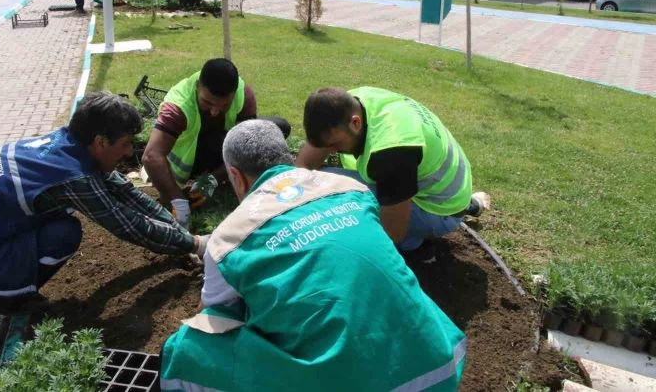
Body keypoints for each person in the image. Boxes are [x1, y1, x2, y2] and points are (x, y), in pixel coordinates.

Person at [160, 120, 466, 392]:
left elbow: (212, 317)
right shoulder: (351, 189)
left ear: (236, 177)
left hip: (351, 382)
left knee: (188, 346)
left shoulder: (230, 239)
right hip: (437, 363)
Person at [0, 92, 209, 316]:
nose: (128, 152)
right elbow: (128, 225)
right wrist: (194, 243)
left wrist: (173, 225)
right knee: (65, 233)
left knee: (56, 213)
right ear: (100, 141)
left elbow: (126, 192)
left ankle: (0, 281)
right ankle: (0, 296)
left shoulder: (68, 143)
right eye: (124, 144)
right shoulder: (73, 177)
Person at [296, 87, 490, 262]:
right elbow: (301, 168)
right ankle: (469, 207)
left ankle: (415, 245)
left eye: (334, 145)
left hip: (438, 211)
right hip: (446, 191)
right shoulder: (352, 104)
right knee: (318, 182)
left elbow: (392, 232)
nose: (330, 152)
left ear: (355, 123)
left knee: (331, 191)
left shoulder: (392, 151)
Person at [143, 59, 290, 229]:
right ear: (198, 86)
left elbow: (247, 145)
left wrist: (213, 179)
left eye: (225, 105)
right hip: (192, 161)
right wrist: (177, 199)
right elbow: (151, 156)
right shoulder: (177, 107)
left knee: (277, 128)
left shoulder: (243, 95)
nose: (214, 111)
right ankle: (211, 175)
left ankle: (220, 175)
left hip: (219, 147)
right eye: (208, 102)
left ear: (233, 94)